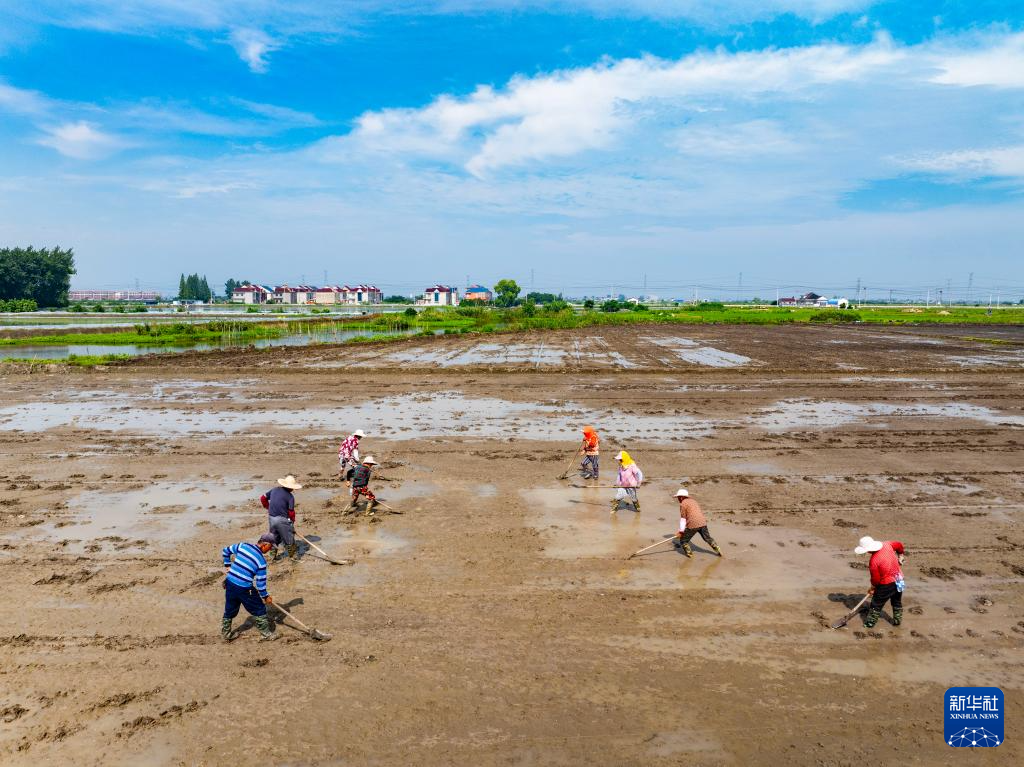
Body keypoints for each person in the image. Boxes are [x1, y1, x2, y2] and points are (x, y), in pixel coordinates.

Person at [221, 537, 278, 642]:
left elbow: (225, 551)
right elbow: (260, 584)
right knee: (259, 609)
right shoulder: (261, 562)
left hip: (230, 583)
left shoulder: (243, 546)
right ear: (264, 544)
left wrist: (228, 567)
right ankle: (266, 635)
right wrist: (265, 596)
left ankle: (226, 634)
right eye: (270, 547)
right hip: (244, 589)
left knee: (230, 608)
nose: (269, 550)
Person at [855, 536, 906, 628]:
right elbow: (899, 545)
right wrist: (901, 555)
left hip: (887, 584)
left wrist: (873, 588)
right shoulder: (887, 544)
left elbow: (876, 579)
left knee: (876, 604)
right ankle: (897, 621)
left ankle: (870, 623)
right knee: (897, 601)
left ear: (868, 550)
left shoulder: (874, 561)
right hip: (899, 579)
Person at [260, 474, 302, 560]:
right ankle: (293, 557)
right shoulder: (290, 497)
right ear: (291, 488)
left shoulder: (274, 490)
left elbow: (263, 498)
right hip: (282, 520)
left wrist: (268, 507)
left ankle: (272, 556)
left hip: (271, 518)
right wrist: (291, 523)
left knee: (274, 537)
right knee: (289, 539)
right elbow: (291, 512)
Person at [672, 488, 722, 558]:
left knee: (683, 541)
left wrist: (681, 531)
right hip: (702, 522)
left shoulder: (683, 504)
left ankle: (690, 555)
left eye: (678, 497)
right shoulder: (693, 501)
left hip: (693, 524)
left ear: (681, 497)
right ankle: (717, 549)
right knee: (707, 538)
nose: (678, 499)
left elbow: (683, 519)